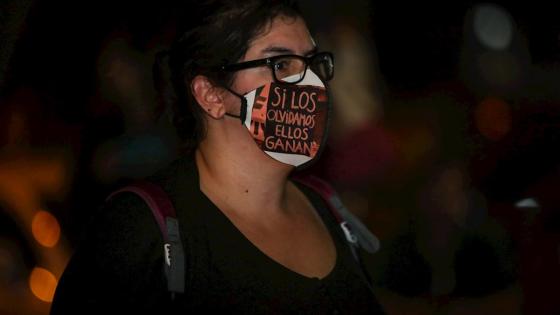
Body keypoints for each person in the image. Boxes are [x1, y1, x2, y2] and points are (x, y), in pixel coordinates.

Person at [50, 0, 385, 313]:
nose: (310, 83)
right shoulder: (140, 230)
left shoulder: (326, 207)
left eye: (312, 62)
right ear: (211, 95)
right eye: (281, 64)